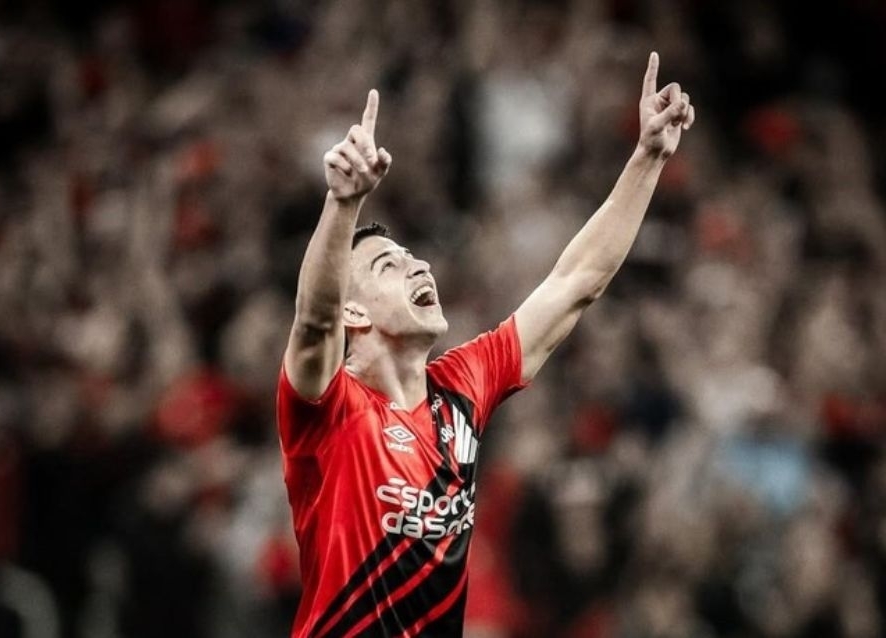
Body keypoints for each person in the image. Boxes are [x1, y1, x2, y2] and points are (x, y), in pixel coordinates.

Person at [277, 52, 695, 637]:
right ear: (354, 311)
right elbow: (314, 320)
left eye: (413, 257)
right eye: (388, 265)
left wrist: (647, 158)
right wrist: (343, 203)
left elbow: (576, 282)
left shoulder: (462, 389)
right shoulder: (330, 408)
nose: (418, 265)